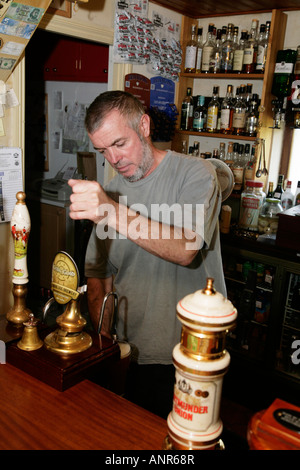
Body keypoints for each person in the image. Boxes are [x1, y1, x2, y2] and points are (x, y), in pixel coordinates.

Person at [68, 90, 226, 419]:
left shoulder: (196, 174)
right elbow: (99, 275)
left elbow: (186, 248)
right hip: (132, 351)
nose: (113, 159)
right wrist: (104, 341)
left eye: (120, 143)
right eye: (102, 150)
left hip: (191, 353)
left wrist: (111, 212)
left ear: (144, 125)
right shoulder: (110, 191)